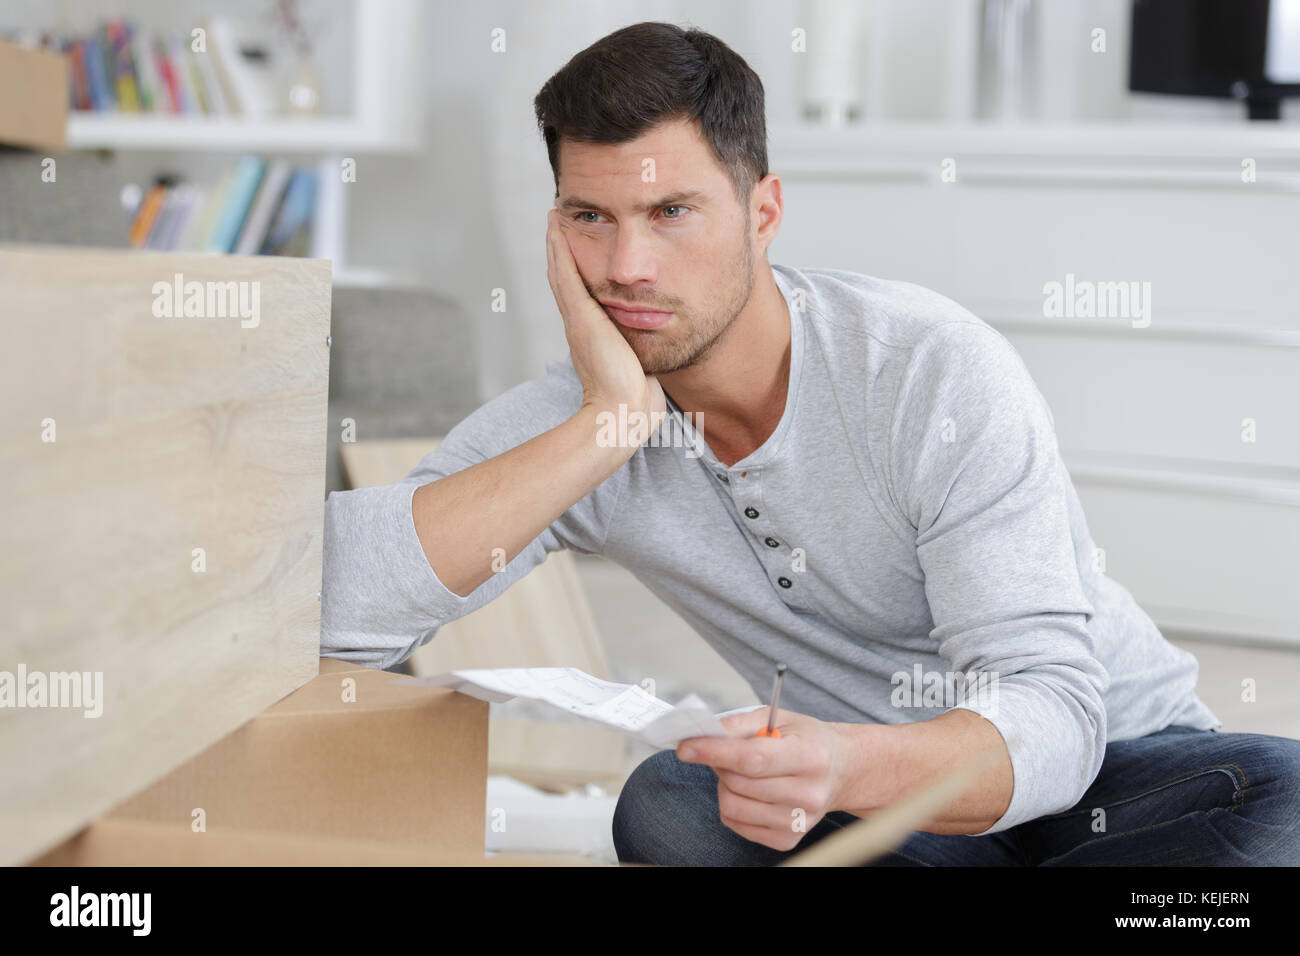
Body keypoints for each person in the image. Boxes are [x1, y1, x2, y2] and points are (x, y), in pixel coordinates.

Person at [319, 21, 1300, 865]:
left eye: (670, 213)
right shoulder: (579, 418)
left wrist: (838, 758)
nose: (627, 266)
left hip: (1111, 775)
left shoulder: (924, 366)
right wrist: (601, 429)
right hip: (891, 815)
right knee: (671, 802)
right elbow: (323, 611)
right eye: (590, 218)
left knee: (1283, 800)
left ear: (762, 212)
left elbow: (1054, 713)